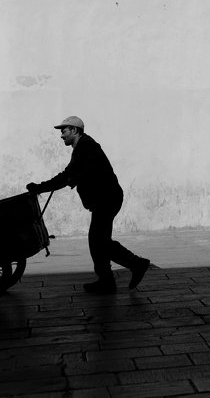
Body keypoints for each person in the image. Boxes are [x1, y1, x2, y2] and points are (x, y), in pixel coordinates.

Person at [27, 116, 150, 294]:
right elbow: (72, 174)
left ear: (75, 130)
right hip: (106, 199)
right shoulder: (83, 146)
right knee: (98, 241)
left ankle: (136, 264)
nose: (61, 135)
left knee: (99, 241)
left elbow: (68, 175)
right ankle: (108, 279)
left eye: (64, 131)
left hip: (106, 199)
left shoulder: (86, 146)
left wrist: (40, 187)